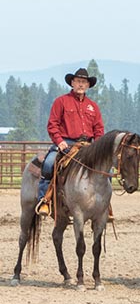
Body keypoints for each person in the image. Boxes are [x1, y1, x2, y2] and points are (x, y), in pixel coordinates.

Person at [35, 67, 105, 216]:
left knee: (105, 169)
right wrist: (60, 142)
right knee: (48, 164)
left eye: (84, 82)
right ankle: (44, 200)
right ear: (72, 83)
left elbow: (99, 129)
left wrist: (98, 146)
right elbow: (52, 125)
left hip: (88, 145)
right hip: (66, 143)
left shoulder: (93, 107)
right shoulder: (61, 102)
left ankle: (105, 205)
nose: (81, 84)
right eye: (78, 81)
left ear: (88, 85)